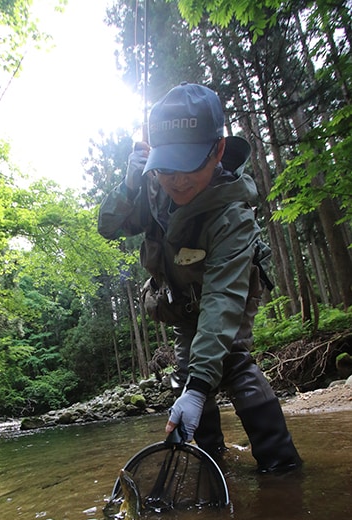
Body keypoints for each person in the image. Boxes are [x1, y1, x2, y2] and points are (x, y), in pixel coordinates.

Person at [98, 82, 302, 473]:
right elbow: (109, 226)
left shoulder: (233, 216)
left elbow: (222, 301)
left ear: (219, 151)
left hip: (227, 296)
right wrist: (129, 184)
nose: (177, 181)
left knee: (233, 362)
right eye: (167, 167)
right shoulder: (153, 183)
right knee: (187, 371)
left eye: (189, 165)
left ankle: (282, 466)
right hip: (180, 301)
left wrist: (198, 386)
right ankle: (210, 459)